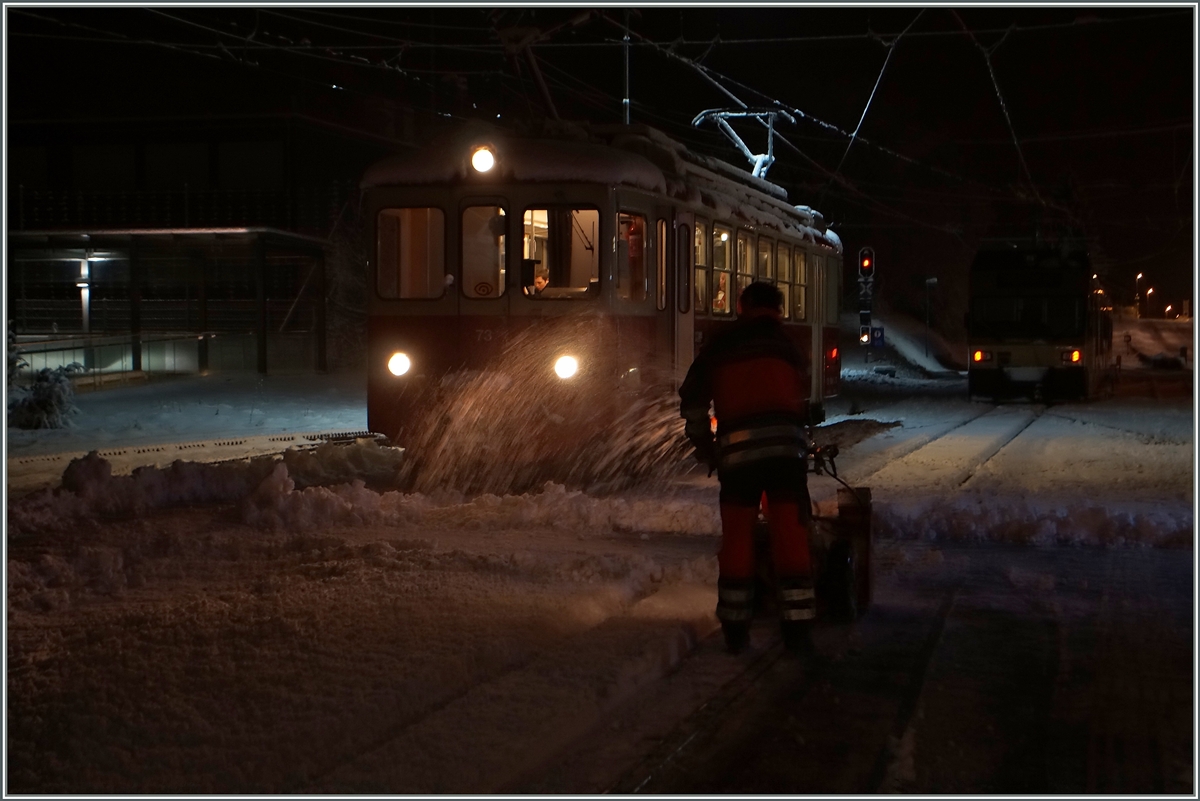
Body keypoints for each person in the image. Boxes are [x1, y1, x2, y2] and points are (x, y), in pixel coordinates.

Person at [679, 280, 815, 654]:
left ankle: (736, 630)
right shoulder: (790, 345)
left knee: (738, 539)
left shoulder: (721, 343)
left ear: (743, 305)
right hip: (787, 459)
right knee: (790, 535)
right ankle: (798, 629)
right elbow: (802, 399)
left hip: (738, 461)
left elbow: (691, 398)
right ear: (778, 310)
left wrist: (702, 443)